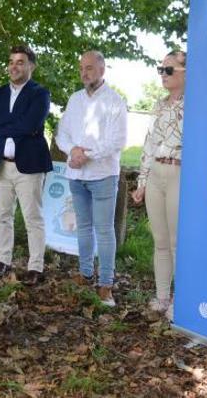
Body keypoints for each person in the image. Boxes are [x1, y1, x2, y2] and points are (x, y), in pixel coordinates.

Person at [55, 50, 127, 306]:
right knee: (83, 227)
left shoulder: (115, 101)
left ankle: (106, 284)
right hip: (76, 174)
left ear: (102, 69)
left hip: (103, 174)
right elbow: (61, 133)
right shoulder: (75, 100)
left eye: (90, 68)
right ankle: (85, 273)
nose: (85, 72)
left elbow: (118, 141)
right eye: (82, 68)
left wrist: (88, 154)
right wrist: (71, 151)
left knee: (104, 230)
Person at [0, 45, 53, 285]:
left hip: (29, 165)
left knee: (32, 217)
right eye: (11, 62)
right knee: (2, 215)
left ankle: (36, 267)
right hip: (1, 164)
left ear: (31, 66)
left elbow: (31, 125)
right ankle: (3, 260)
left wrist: (4, 124)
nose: (14, 66)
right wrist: (13, 119)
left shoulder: (39, 93)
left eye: (20, 62)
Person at [131, 50, 186, 321]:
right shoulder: (159, 105)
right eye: (161, 69)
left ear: (186, 72)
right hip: (156, 174)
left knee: (178, 243)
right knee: (160, 241)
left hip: (180, 173)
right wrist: (142, 182)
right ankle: (162, 296)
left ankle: (181, 300)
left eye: (169, 70)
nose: (163, 75)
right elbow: (149, 143)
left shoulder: (196, 106)